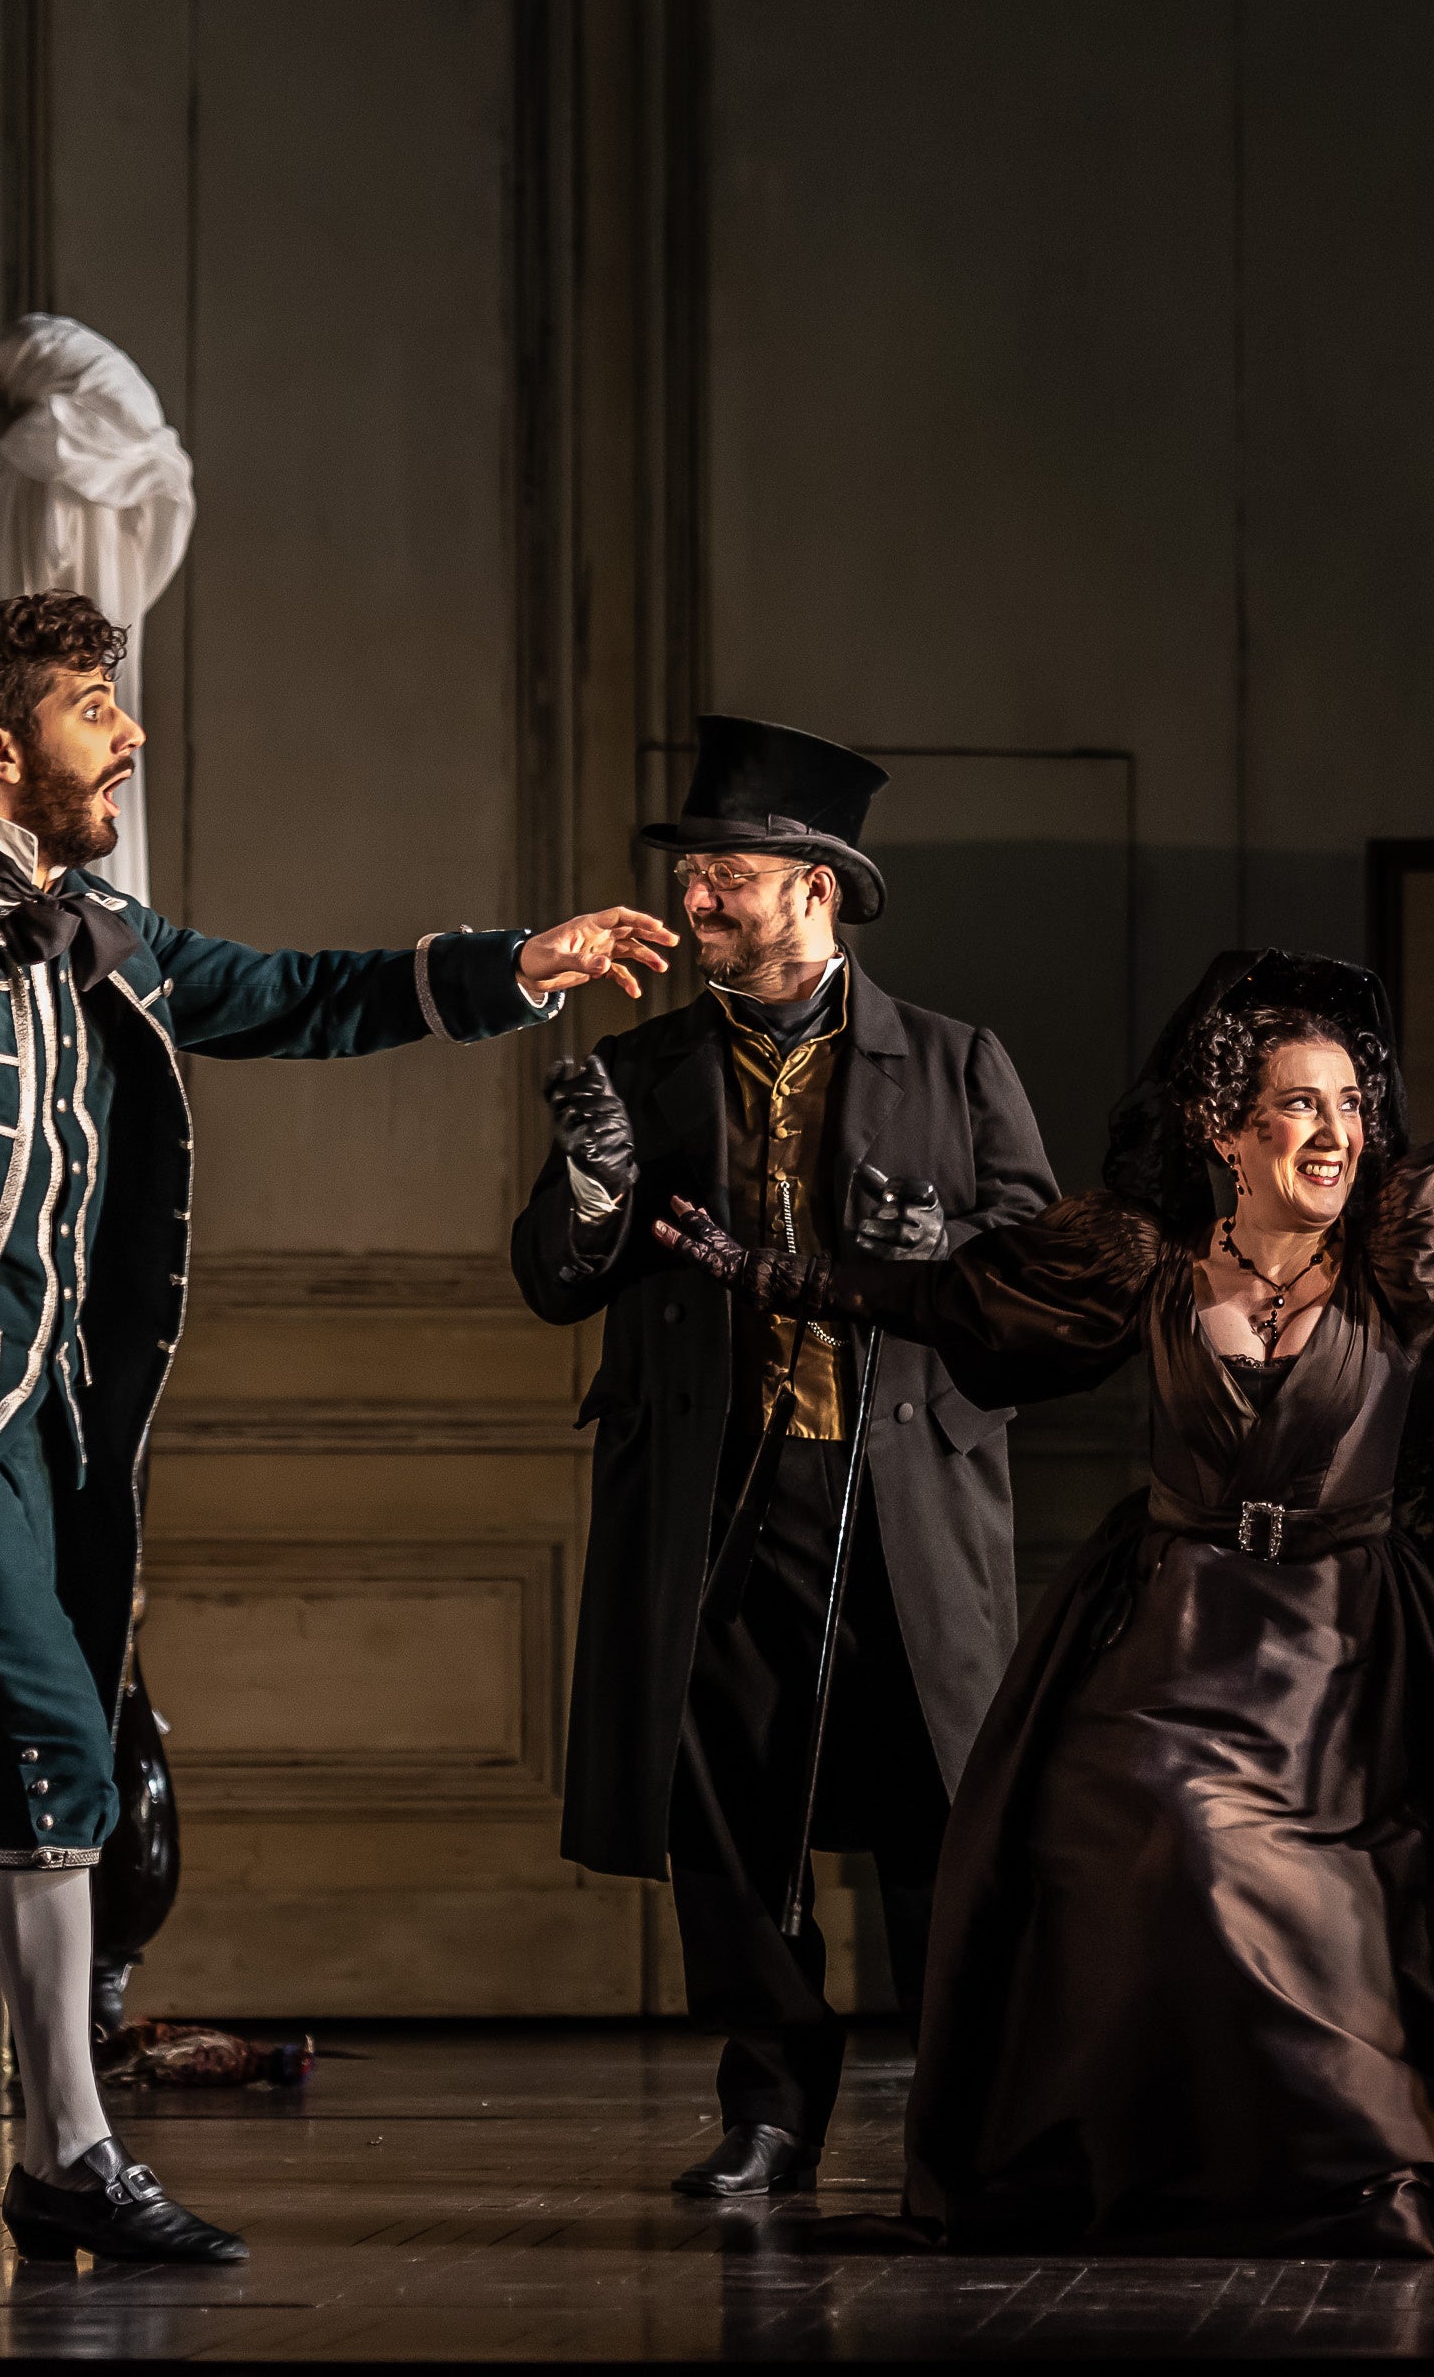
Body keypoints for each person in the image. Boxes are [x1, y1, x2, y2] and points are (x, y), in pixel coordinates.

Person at [0, 593, 674, 2260]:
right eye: (97, 709)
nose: (132, 735)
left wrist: (515, 965)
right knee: (56, 1751)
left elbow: (289, 995)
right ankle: (68, 2159)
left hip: (43, 1439)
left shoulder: (93, 925)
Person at [649, 897, 1434, 2255]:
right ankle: (1166, 2151)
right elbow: (944, 1299)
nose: (1335, 1133)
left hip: (1342, 1645)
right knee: (1137, 1823)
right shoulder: (1143, 1264)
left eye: (1349, 1105)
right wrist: (762, 1271)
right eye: (1297, 1105)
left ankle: (1347, 2158)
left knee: (1277, 1866)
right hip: (1173, 1619)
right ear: (1224, 1130)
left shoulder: (1404, 1249)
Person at [515, 717, 1056, 2199]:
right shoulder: (639, 1067)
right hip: (716, 1493)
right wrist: (593, 1188)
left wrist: (942, 1251)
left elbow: (1049, 1280)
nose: (695, 897)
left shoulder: (953, 1062)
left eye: (725, 874)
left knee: (939, 1812)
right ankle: (769, 2101)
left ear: (815, 888)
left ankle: (965, 2107)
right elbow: (554, 1276)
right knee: (721, 1812)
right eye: (691, 873)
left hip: (901, 1493)